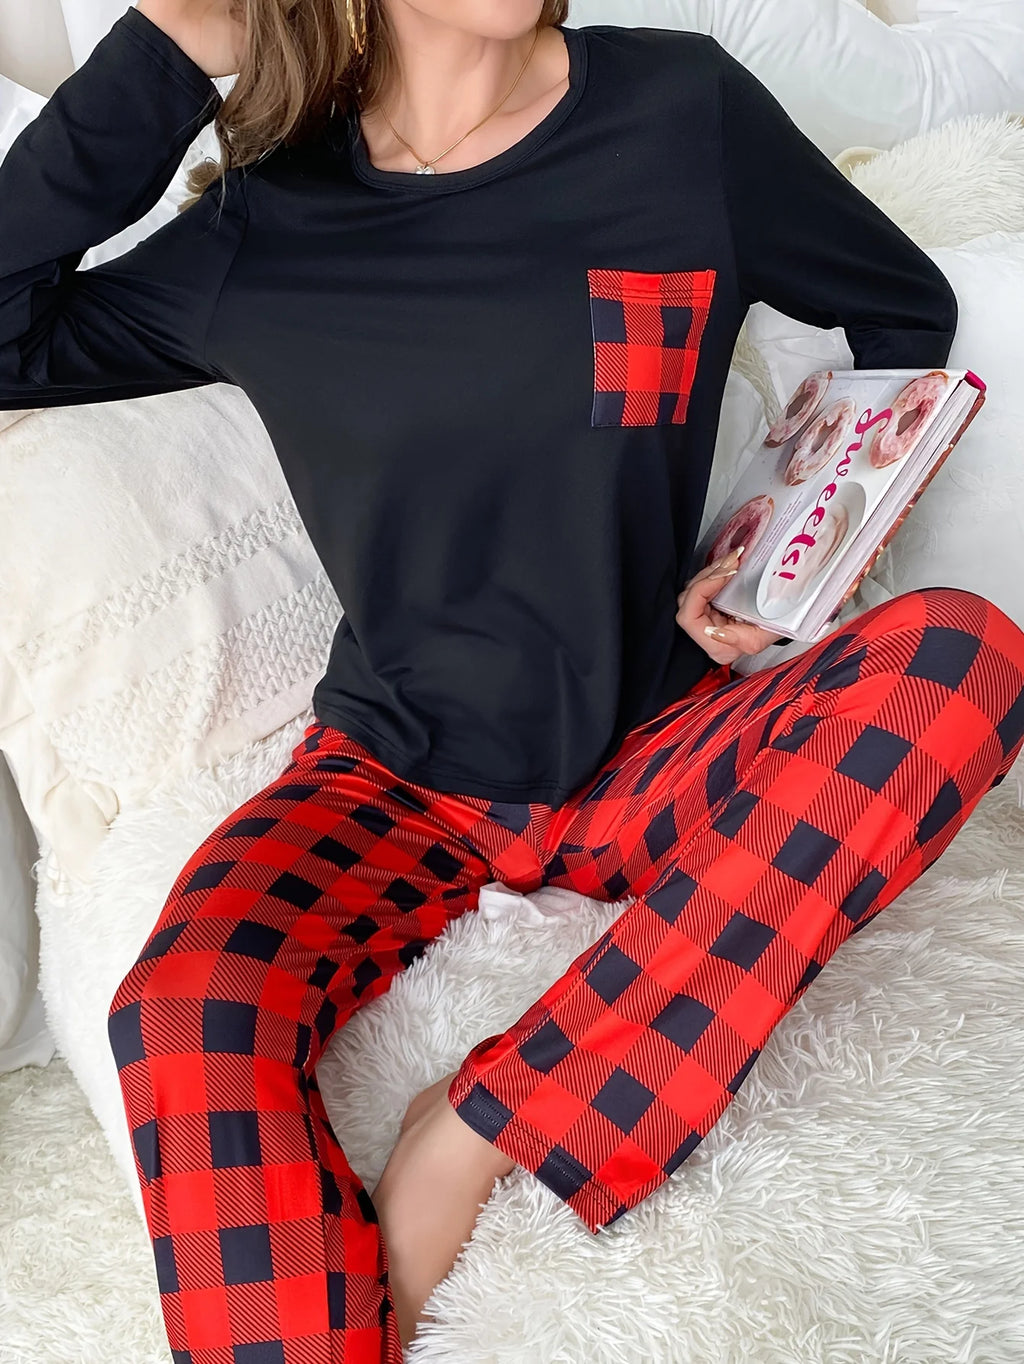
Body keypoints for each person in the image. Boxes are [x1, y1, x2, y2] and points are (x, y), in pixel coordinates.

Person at [2, 0, 1022, 1358]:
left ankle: (490, 1123)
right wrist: (169, 48)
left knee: (961, 653)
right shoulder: (267, 226)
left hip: (659, 736)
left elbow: (898, 307)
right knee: (181, 1011)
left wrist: (778, 552)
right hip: (394, 777)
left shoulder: (680, 114)